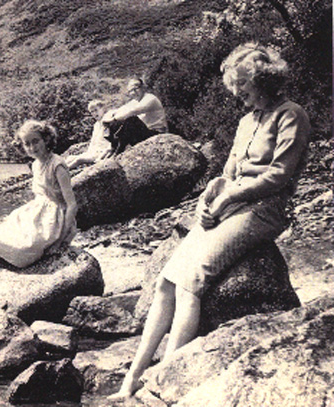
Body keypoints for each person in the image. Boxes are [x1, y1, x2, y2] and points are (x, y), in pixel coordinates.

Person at [108, 43, 311, 400]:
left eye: (244, 91)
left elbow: (280, 175)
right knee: (166, 280)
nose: (242, 100)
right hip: (230, 203)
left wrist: (229, 196)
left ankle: (163, 381)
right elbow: (227, 172)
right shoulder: (246, 121)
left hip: (266, 209)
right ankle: (131, 381)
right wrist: (210, 196)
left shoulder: (291, 114)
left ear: (264, 82)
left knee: (191, 281)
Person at [0, 120, 78, 302]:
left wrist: (61, 241)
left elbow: (71, 205)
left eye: (36, 141)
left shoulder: (57, 166)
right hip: (36, 215)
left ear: (46, 140)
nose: (32, 147)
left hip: (51, 224)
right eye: (27, 144)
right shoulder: (35, 164)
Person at [103, 78, 168, 136]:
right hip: (145, 131)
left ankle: (118, 146)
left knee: (131, 120)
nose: (133, 92)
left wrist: (114, 119)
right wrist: (109, 117)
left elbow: (134, 111)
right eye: (130, 91)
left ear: (143, 88)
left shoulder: (150, 98)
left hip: (157, 132)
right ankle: (116, 145)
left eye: (136, 89)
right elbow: (119, 110)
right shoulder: (135, 101)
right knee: (117, 123)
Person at [66, 99, 113, 169]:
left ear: (103, 109)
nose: (94, 114)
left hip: (101, 152)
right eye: (92, 112)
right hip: (93, 151)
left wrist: (103, 155)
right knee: (70, 158)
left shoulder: (107, 120)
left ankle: (62, 172)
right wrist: (88, 152)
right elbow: (93, 141)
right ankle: (57, 169)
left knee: (78, 160)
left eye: (96, 110)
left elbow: (111, 141)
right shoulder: (96, 125)